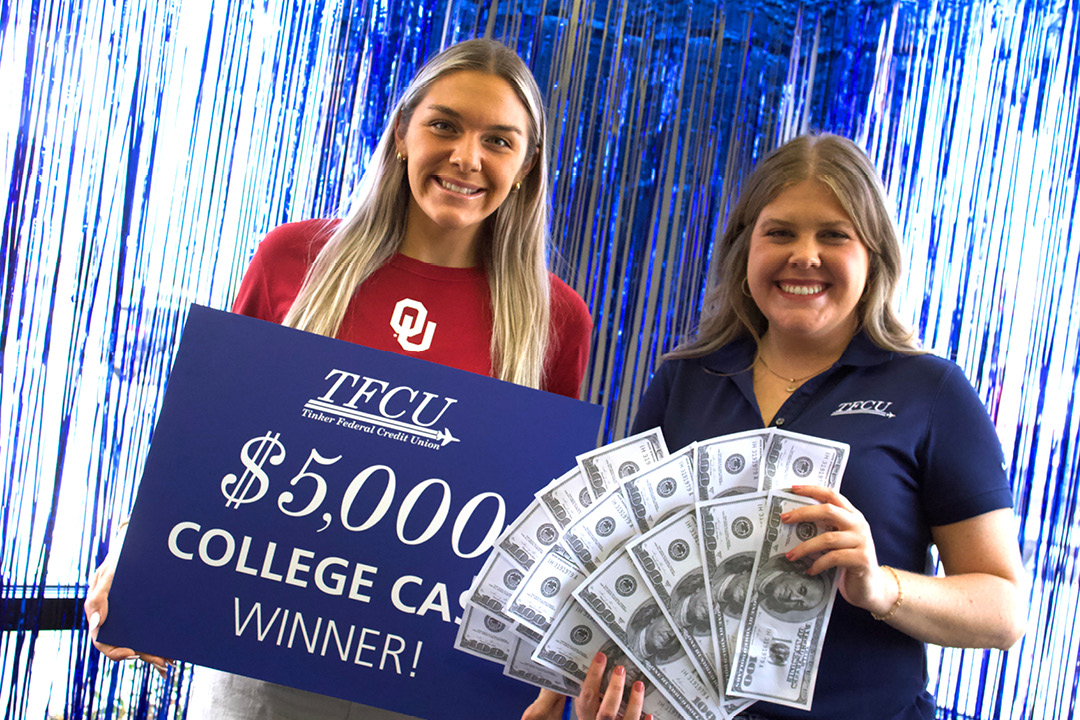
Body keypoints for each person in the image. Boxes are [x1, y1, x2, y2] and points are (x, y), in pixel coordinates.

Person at [84, 37, 593, 720]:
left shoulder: (556, 317)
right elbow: (210, 439)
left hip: (431, 684)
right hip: (257, 664)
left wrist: (546, 673)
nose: (467, 156)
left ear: (527, 166)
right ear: (404, 134)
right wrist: (134, 553)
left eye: (499, 140)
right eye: (444, 124)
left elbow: (543, 517)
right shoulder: (293, 257)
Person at [524, 133, 1026, 720]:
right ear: (745, 250)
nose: (804, 255)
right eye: (780, 232)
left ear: (875, 256)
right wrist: (566, 689)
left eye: (834, 235)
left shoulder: (931, 392)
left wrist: (879, 585)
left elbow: (1003, 612)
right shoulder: (686, 378)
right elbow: (618, 566)